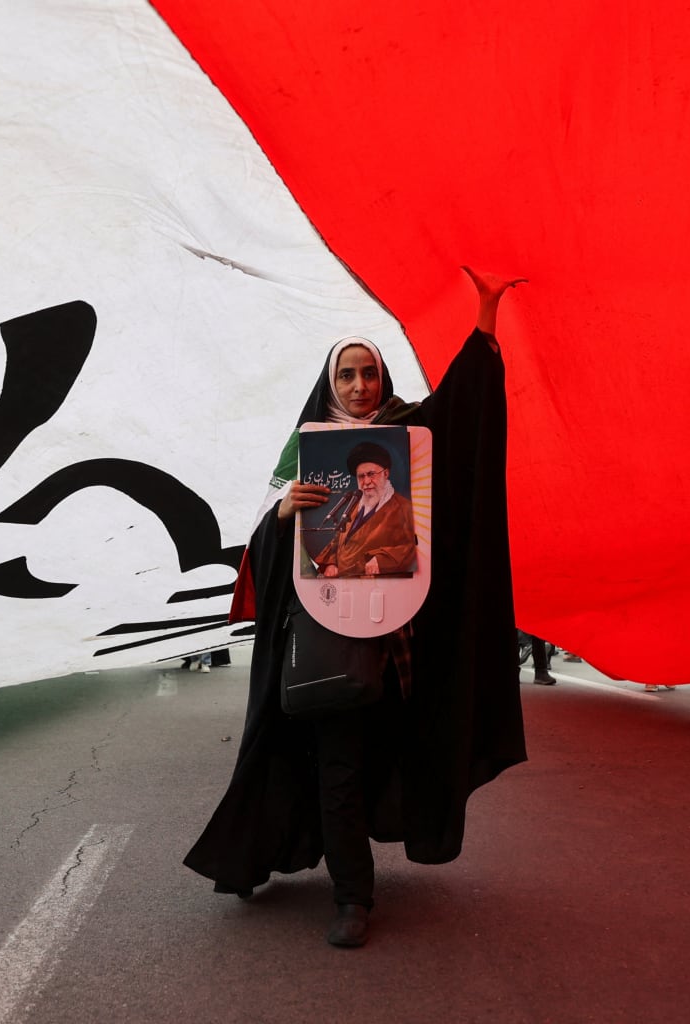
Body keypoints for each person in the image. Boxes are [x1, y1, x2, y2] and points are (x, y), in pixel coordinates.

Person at [184, 267, 528, 947]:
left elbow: (460, 414)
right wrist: (285, 513)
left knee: (383, 756)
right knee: (336, 761)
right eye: (347, 376)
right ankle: (352, 897)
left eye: (368, 373)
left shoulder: (408, 432)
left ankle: (353, 859)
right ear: (330, 382)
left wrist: (484, 324)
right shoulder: (304, 446)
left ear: (382, 378)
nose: (360, 387)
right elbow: (260, 544)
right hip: (326, 639)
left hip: (400, 643)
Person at [313, 440, 417, 578]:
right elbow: (338, 540)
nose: (366, 482)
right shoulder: (354, 504)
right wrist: (331, 563)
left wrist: (380, 560)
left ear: (385, 474)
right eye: (361, 476)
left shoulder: (405, 508)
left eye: (371, 474)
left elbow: (412, 547)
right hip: (341, 580)